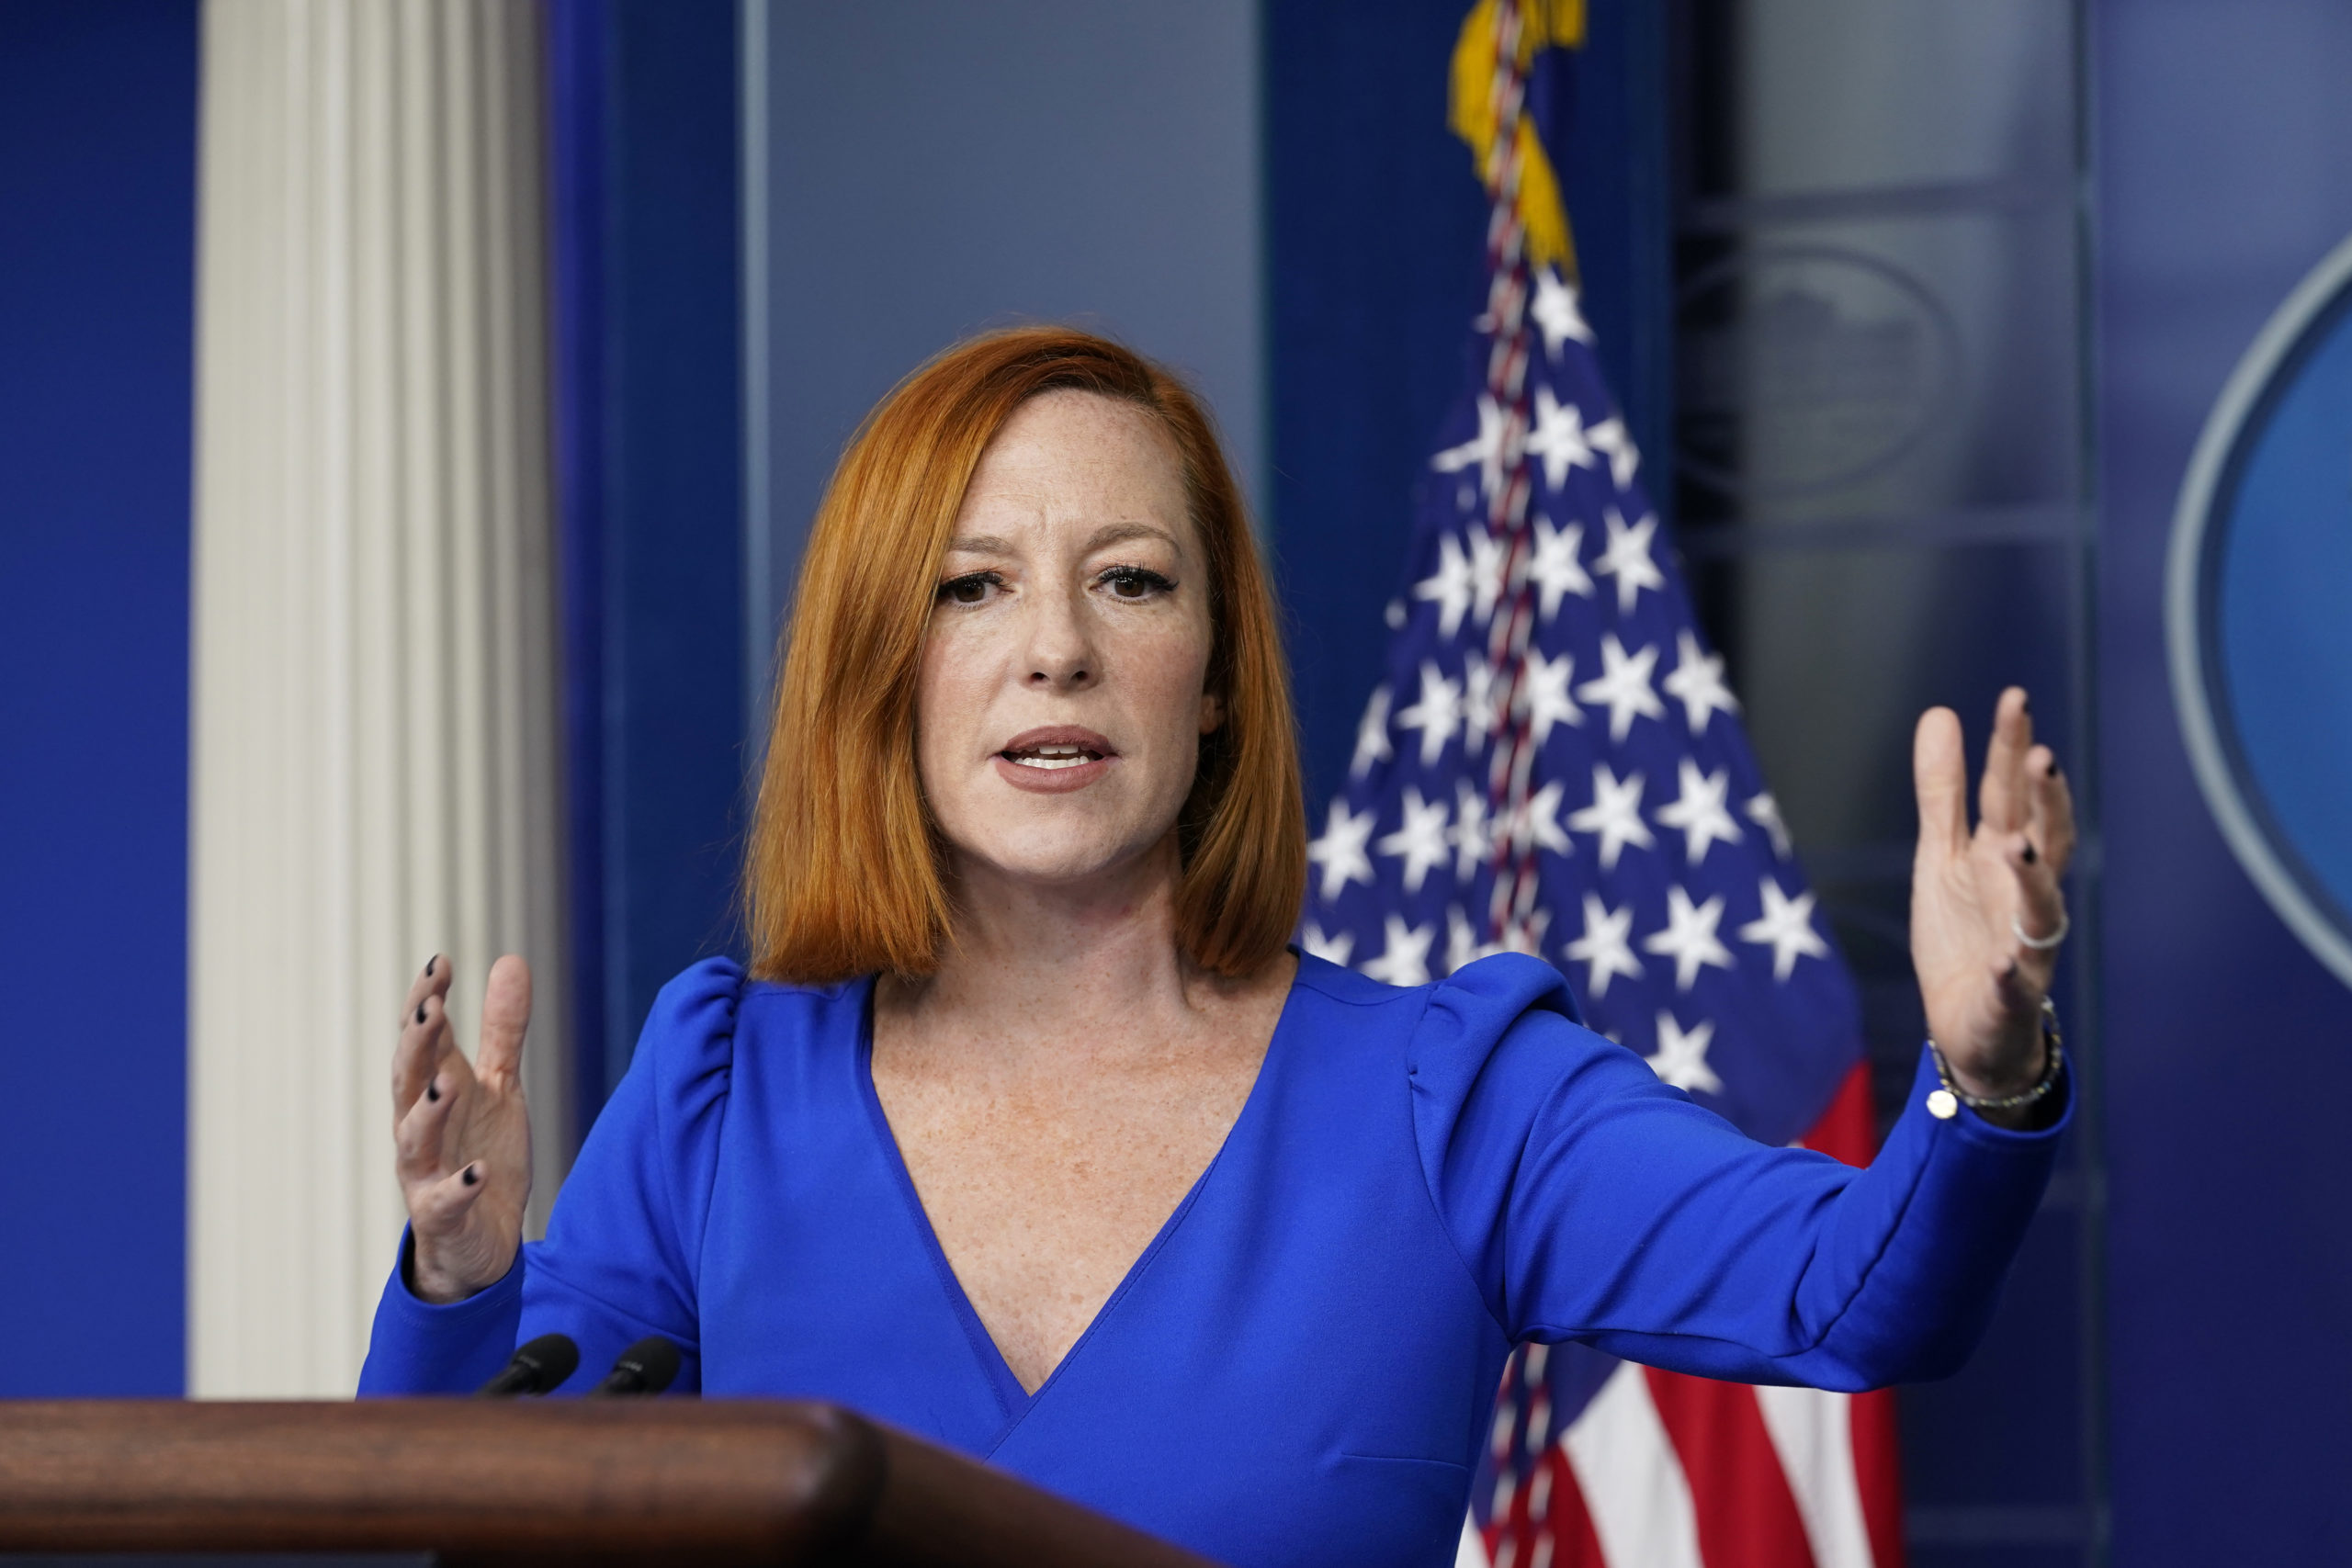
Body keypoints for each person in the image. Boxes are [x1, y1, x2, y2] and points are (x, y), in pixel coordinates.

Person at [360, 327, 2075, 1568]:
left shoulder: (1454, 1097)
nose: (1055, 649)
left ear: (1219, 683)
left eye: (1129, 580)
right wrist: (460, 1272)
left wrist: (1985, 1076)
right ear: (882, 670)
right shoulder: (723, 1085)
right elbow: (467, 1515)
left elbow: (1855, 1295)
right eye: (970, 586)